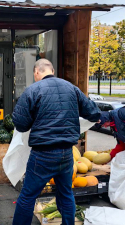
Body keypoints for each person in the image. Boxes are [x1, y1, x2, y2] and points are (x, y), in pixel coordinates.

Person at [12, 59, 101, 225]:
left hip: (42, 154)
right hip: (66, 153)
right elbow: (94, 113)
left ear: (36, 72)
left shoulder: (32, 90)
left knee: (28, 196)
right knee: (66, 194)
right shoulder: (72, 88)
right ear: (52, 70)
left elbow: (20, 124)